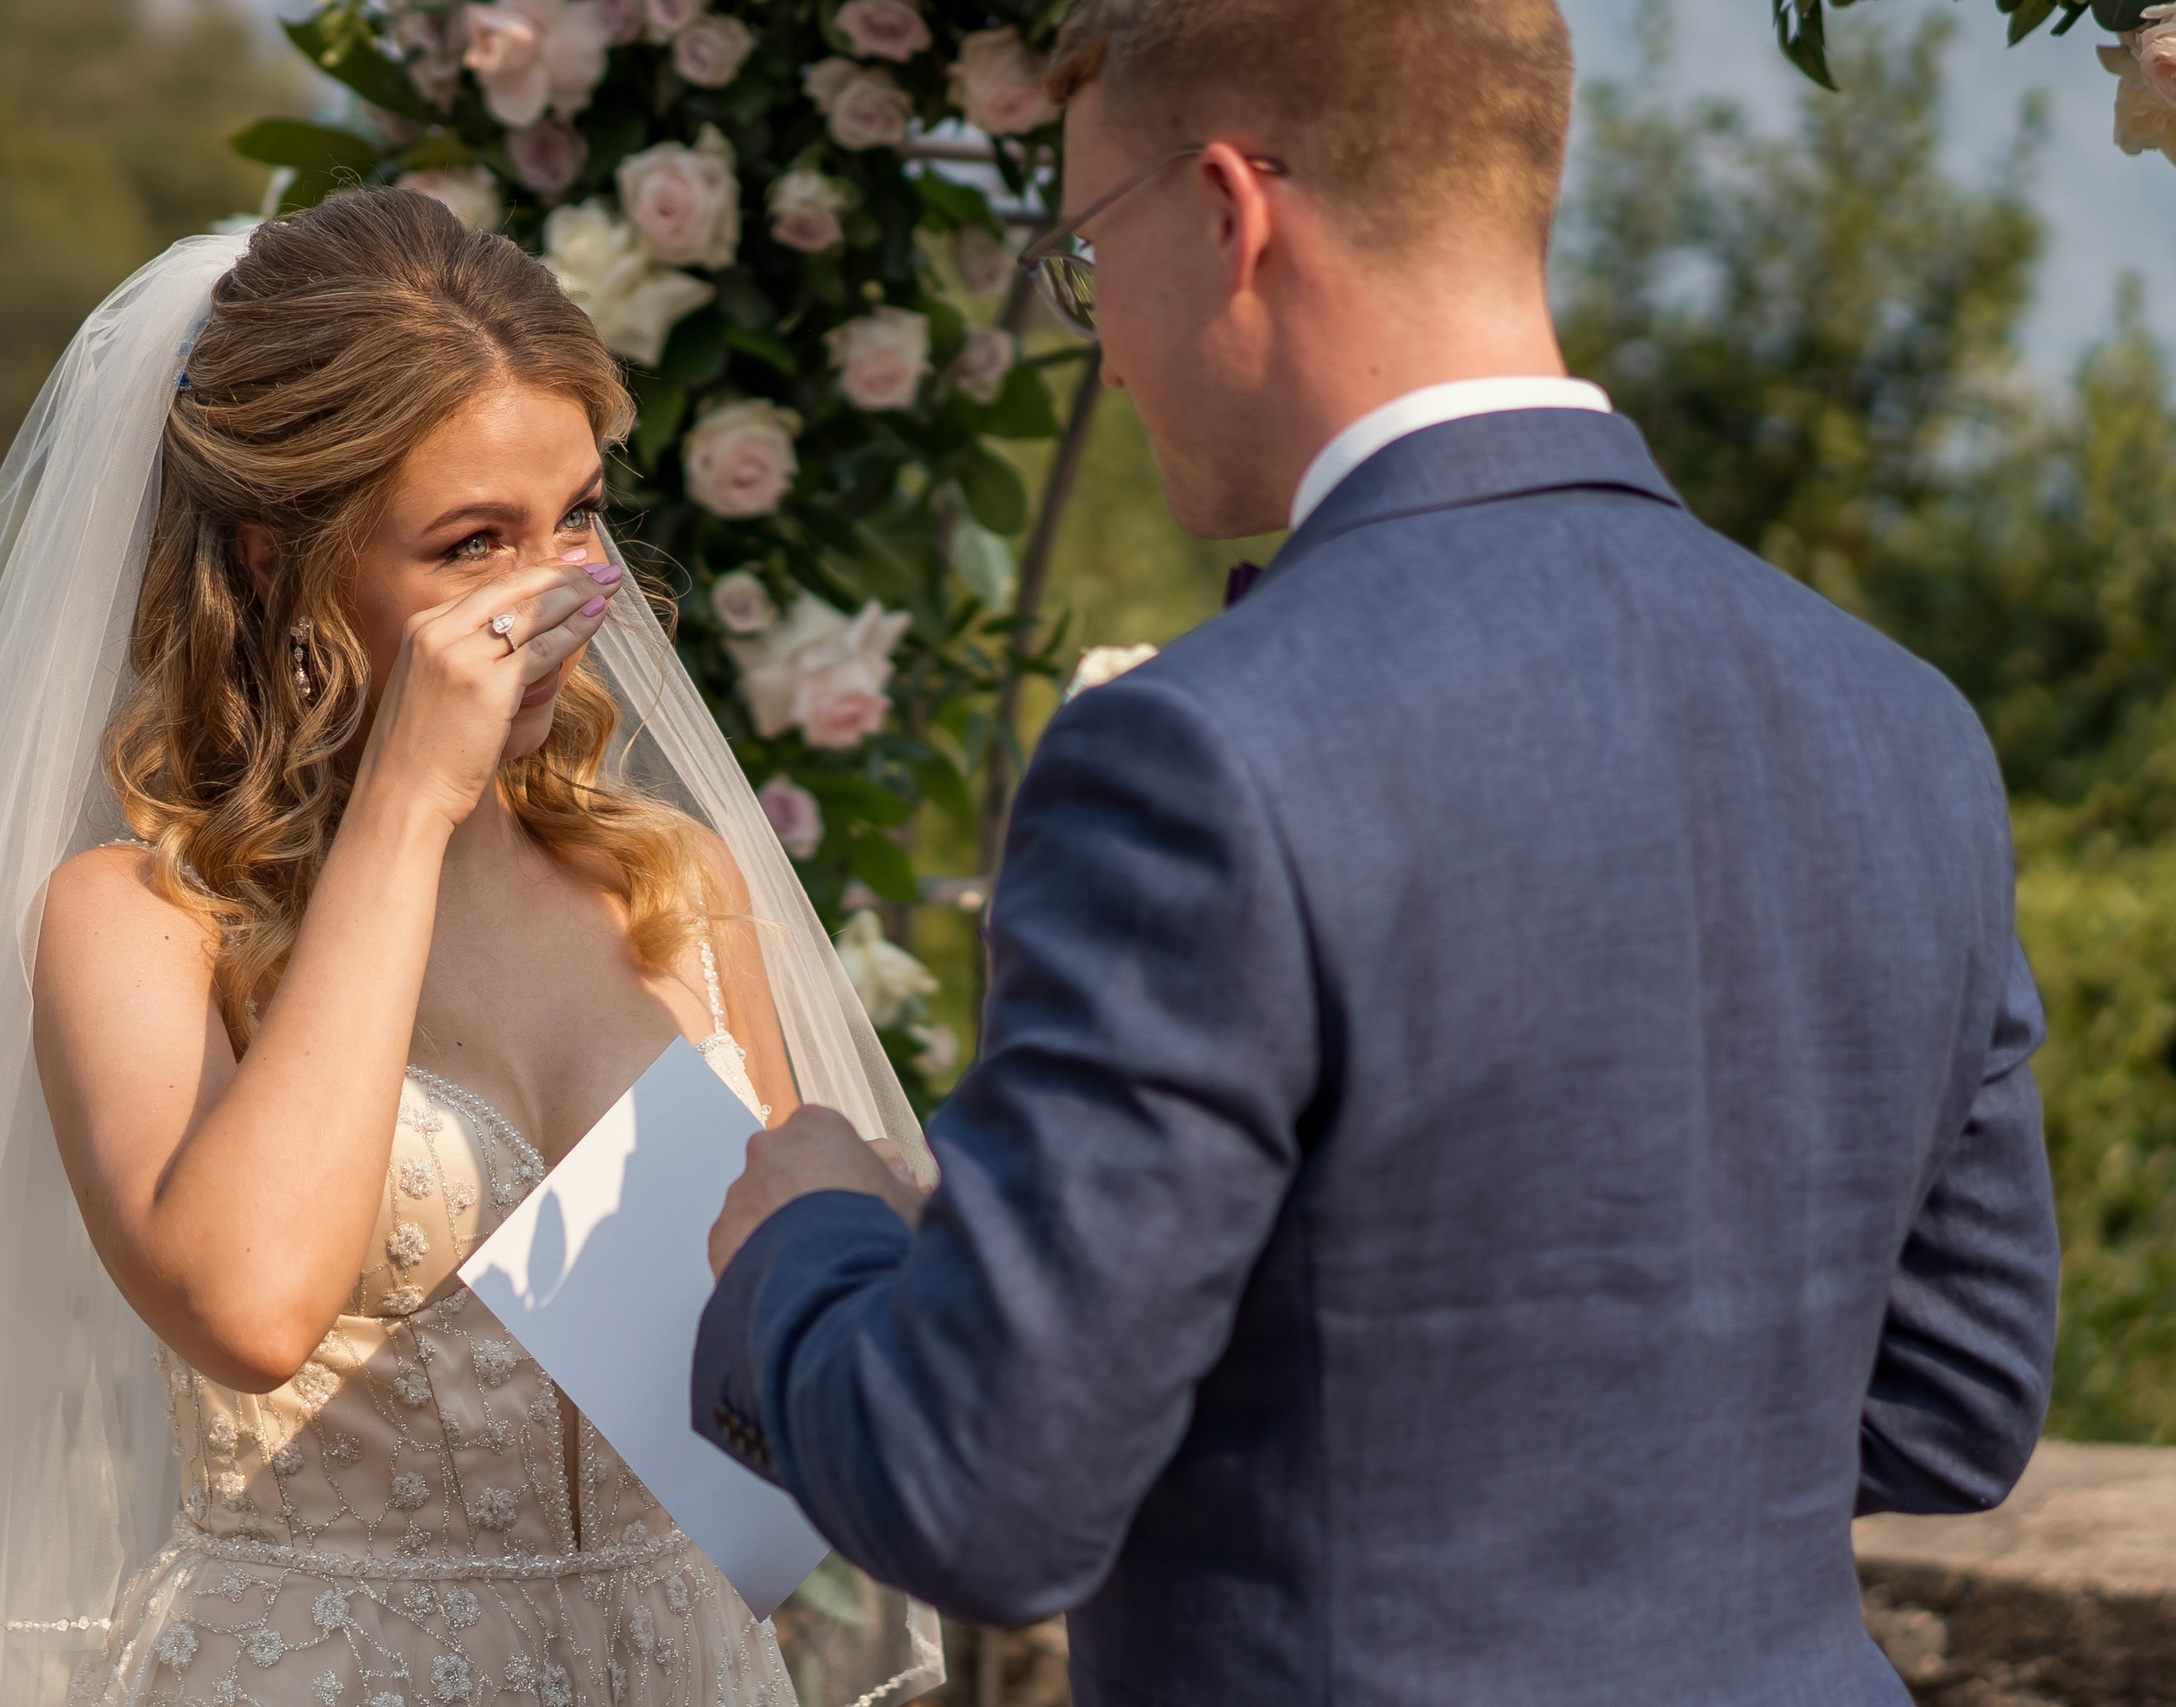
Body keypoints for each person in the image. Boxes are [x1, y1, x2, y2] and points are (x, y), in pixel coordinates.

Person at [691, 2, 2061, 1702]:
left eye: (1087, 252)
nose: (1103, 341)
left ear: (1226, 212)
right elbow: (1955, 1402)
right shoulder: (1907, 723)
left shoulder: (1201, 753)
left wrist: (809, 1245)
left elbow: (981, 1498)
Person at [0, 191, 940, 1707]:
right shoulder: (138, 922)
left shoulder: (666, 884)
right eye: (470, 543)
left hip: (685, 1661)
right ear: (274, 557)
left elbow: (801, 1365)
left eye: (573, 517)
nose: (553, 589)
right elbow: (252, 1304)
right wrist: (407, 812)